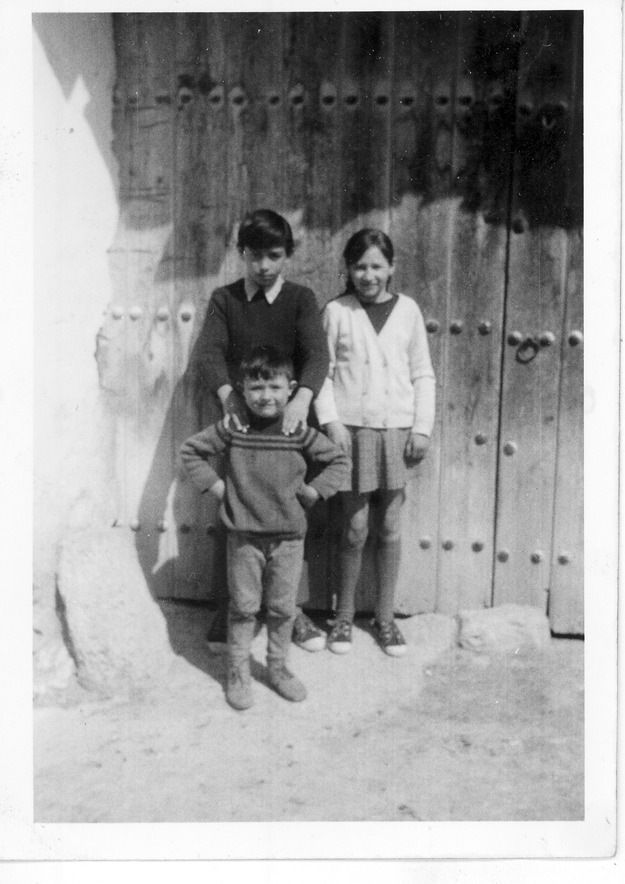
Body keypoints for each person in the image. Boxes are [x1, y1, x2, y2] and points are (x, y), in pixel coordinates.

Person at [193, 209, 330, 653]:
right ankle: (229, 608)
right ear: (242, 254)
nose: (264, 266)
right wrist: (229, 396)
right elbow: (208, 354)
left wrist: (302, 399)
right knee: (237, 515)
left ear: (288, 254)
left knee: (291, 518)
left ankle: (293, 612)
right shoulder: (225, 299)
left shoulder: (300, 299)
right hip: (242, 422)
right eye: (255, 256)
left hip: (288, 423)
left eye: (274, 256)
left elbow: (317, 356)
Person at [181, 348, 349, 710]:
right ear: (242, 389)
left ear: (291, 389)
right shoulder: (234, 427)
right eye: (256, 388)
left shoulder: (297, 430)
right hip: (244, 539)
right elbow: (191, 451)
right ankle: (238, 671)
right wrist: (220, 489)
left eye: (274, 387)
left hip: (289, 540)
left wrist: (314, 492)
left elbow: (338, 460)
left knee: (283, 608)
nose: (265, 396)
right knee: (243, 607)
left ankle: (278, 667)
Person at [315, 229, 436, 657]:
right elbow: (323, 374)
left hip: (396, 433)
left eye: (377, 266)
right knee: (354, 529)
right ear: (348, 269)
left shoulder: (408, 311)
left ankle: (385, 618)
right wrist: (331, 422)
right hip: (353, 433)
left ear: (391, 267)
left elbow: (422, 372)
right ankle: (343, 617)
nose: (368, 275)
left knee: (389, 527)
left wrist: (421, 428)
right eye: (359, 266)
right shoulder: (337, 311)